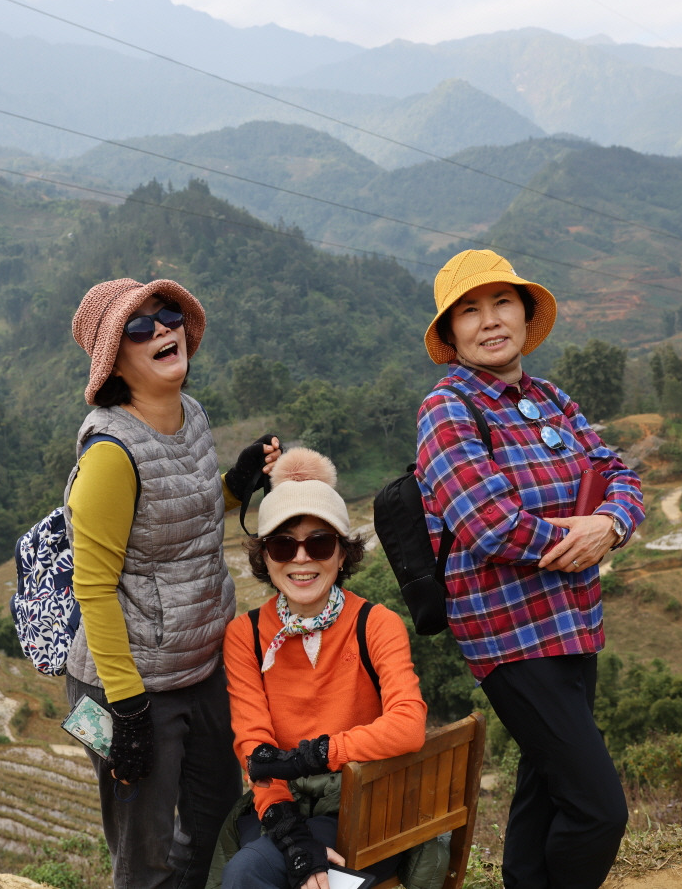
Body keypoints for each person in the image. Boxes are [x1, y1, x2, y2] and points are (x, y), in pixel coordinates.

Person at [413, 249, 645, 889]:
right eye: (470, 310)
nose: (490, 320)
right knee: (599, 810)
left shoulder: (550, 399)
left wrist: (610, 523)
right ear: (452, 332)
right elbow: (486, 522)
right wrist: (578, 537)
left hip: (575, 623)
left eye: (502, 303)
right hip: (510, 636)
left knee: (544, 788)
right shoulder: (447, 409)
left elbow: (618, 475)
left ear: (524, 313)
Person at [66, 277, 280, 889]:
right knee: (146, 856)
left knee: (215, 819)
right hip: (131, 683)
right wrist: (129, 708)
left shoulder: (192, 415)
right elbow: (93, 587)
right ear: (115, 361)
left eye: (168, 315)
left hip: (202, 660)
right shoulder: (110, 455)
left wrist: (235, 482)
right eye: (139, 326)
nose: (162, 327)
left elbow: (180, 514)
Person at [217, 447, 427, 889]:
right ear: (264, 556)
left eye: (319, 542)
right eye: (282, 544)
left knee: (249, 872)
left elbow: (408, 725)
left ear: (342, 553)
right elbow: (255, 749)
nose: (301, 559)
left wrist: (312, 755)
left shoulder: (376, 624)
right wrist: (293, 836)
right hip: (280, 802)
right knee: (252, 869)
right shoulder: (245, 635)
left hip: (363, 803)